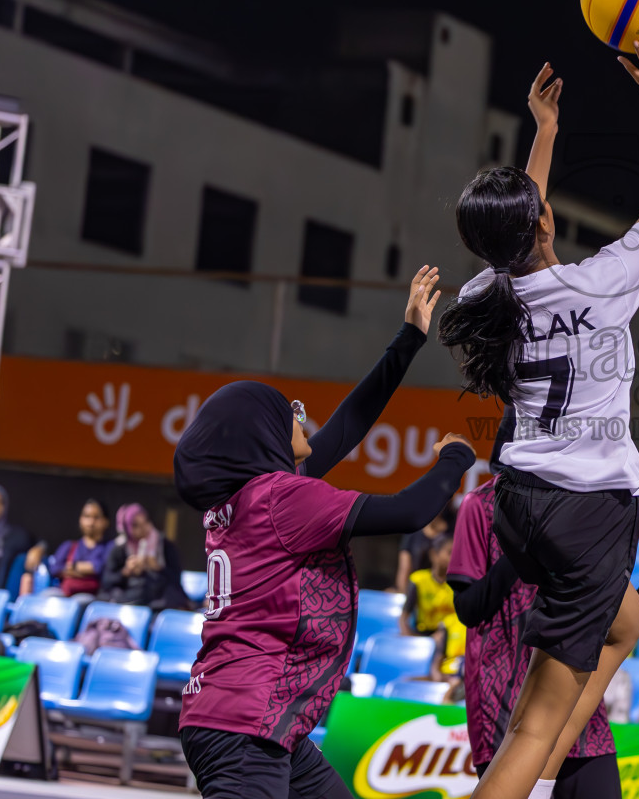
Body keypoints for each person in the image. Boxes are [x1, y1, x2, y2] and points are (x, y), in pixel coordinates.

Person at [437, 32, 639, 799]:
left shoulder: (482, 299)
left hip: (519, 502)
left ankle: (540, 783)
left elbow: (517, 230)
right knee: (538, 727)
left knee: (623, 622)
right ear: (542, 222)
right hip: (588, 511)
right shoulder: (602, 283)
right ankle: (530, 782)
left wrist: (545, 133)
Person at [176, 265, 475, 799]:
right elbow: (409, 511)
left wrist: (408, 339)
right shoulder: (282, 500)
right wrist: (454, 460)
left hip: (253, 720)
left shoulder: (249, 499)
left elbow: (346, 425)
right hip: (246, 723)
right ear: (261, 433)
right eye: (289, 410)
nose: (303, 415)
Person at [449, 474, 639, 799]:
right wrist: (525, 540)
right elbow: (468, 609)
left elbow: (590, 598)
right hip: (503, 703)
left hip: (577, 693)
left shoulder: (588, 498)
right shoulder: (480, 503)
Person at [401, 533, 466, 683]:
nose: (453, 558)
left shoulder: (458, 584)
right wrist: (411, 640)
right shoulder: (418, 580)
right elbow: (404, 616)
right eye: (449, 553)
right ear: (434, 555)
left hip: (450, 639)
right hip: (423, 635)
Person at [102, 502, 184, 609]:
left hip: (159, 599)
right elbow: (107, 581)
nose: (143, 528)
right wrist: (126, 571)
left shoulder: (165, 545)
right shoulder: (120, 548)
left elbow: (176, 579)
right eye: (136, 525)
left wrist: (156, 567)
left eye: (145, 522)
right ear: (127, 528)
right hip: (130, 598)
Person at [46, 499, 113, 597]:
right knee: (46, 598)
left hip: (93, 596)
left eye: (96, 517)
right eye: (87, 516)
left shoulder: (110, 547)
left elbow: (100, 568)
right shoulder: (69, 545)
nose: (91, 522)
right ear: (80, 519)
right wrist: (85, 571)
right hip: (65, 591)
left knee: (79, 602)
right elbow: (54, 568)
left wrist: (73, 567)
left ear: (106, 521)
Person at [396, 504, 455, 594]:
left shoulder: (453, 530)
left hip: (445, 594)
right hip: (416, 593)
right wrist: (405, 595)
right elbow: (404, 569)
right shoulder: (413, 529)